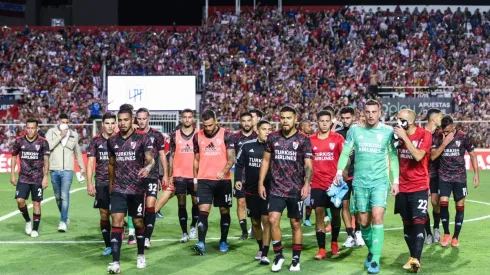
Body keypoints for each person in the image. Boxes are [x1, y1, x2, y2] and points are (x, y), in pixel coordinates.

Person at [336, 99, 399, 274]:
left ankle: (375, 260)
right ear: (363, 113)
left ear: (380, 113)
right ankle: (373, 250)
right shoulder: (354, 131)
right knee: (363, 223)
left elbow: (393, 157)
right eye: (368, 112)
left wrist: (396, 181)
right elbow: (346, 152)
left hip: (379, 182)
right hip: (360, 183)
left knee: (377, 217)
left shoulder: (387, 132)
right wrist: (339, 171)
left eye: (374, 112)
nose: (371, 115)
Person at [258, 105, 312, 272]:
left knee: (295, 223)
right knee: (273, 219)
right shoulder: (272, 138)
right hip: (276, 188)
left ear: (295, 119)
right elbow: (266, 161)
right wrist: (261, 183)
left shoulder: (303, 139)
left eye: (288, 118)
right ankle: (278, 255)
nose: (285, 121)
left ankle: (296, 259)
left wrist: (307, 184)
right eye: (282, 118)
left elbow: (308, 165)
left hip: (295, 189)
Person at [106, 104, 155, 274]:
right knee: (117, 222)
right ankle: (116, 263)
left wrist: (148, 168)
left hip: (136, 189)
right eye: (119, 120)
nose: (122, 123)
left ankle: (140, 254)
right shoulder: (112, 141)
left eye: (125, 120)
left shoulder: (143, 138)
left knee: (138, 222)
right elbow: (111, 165)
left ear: (132, 120)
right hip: (119, 188)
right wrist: (111, 185)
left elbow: (151, 160)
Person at [430, 115, 480, 248]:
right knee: (443, 203)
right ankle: (446, 233)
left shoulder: (463, 137)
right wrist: (445, 142)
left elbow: (473, 155)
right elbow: (433, 156)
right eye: (444, 131)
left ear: (454, 127)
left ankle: (455, 237)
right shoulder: (438, 137)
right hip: (444, 176)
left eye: (448, 131)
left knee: (460, 205)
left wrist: (476, 174)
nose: (445, 133)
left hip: (459, 177)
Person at [393, 109, 432, 273]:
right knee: (407, 224)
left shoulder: (424, 135)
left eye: (399, 119)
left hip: (419, 185)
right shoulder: (396, 136)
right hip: (402, 186)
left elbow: (417, 156)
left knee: (418, 222)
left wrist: (404, 138)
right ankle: (413, 257)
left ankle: (417, 258)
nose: (396, 121)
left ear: (408, 122)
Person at [193, 110, 235, 255]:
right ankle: (201, 242)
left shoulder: (226, 134)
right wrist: (195, 179)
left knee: (224, 210)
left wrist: (223, 171)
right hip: (204, 180)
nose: (208, 128)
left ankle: (223, 241)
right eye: (205, 126)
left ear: (215, 121)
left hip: (223, 181)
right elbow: (196, 159)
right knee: (203, 211)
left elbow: (231, 158)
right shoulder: (197, 136)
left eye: (210, 125)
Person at [235, 120, 273, 264]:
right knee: (255, 222)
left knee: (266, 220)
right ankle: (261, 246)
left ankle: (265, 252)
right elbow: (239, 164)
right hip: (251, 190)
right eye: (264, 129)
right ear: (257, 130)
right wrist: (238, 179)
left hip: (269, 189)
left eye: (269, 129)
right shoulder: (247, 146)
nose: (267, 132)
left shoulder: (274, 146)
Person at [309, 111, 345, 259]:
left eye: (327, 121)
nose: (324, 123)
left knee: (336, 214)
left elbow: (345, 158)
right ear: (317, 122)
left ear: (331, 122)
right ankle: (321, 249)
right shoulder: (310, 140)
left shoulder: (338, 138)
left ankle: (334, 241)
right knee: (318, 212)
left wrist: (343, 173)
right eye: (321, 120)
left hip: (334, 184)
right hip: (317, 183)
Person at [135, 107, 170, 249]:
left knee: (150, 205)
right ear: (136, 119)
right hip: (135, 176)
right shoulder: (133, 134)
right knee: (138, 209)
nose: (142, 121)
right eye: (139, 118)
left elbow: (162, 155)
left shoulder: (156, 135)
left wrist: (166, 174)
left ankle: (147, 238)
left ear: (148, 118)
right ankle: (136, 233)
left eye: (144, 118)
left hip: (152, 175)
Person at [10, 118, 50, 238]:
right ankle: (28, 220)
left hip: (37, 178)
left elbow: (47, 161)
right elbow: (13, 157)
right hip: (23, 177)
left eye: (33, 128)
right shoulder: (19, 141)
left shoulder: (43, 142)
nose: (30, 130)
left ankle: (35, 229)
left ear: (37, 128)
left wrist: (45, 177)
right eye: (28, 127)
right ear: (25, 128)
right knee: (20, 200)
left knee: (36, 203)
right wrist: (12, 174)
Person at [46, 113, 85, 232]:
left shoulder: (74, 135)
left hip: (68, 170)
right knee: (58, 197)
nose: (65, 124)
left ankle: (62, 222)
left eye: (67, 122)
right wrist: (60, 136)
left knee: (64, 196)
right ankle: (65, 216)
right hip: (54, 169)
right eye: (63, 122)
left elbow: (77, 152)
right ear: (58, 122)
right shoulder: (51, 132)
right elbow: (49, 146)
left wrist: (81, 167)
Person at [86, 112, 116, 256]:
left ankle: (117, 242)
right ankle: (108, 245)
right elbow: (91, 162)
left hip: (119, 182)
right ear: (102, 124)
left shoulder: (120, 140)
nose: (110, 126)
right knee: (104, 214)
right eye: (107, 123)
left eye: (112, 123)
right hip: (101, 182)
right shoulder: (95, 141)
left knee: (117, 215)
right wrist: (89, 183)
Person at [168, 109, 199, 242]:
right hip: (179, 174)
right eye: (184, 117)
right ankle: (184, 232)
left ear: (193, 119)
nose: (187, 119)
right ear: (181, 119)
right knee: (181, 204)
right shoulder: (174, 135)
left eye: (189, 117)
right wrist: (170, 175)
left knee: (196, 203)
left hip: (195, 175)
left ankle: (193, 226)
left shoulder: (199, 134)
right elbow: (171, 156)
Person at [336, 107, 364, 247]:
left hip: (358, 174)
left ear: (353, 117)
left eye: (348, 118)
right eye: (343, 118)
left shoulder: (360, 132)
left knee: (359, 205)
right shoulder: (337, 134)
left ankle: (358, 232)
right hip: (344, 175)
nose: (345, 120)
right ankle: (349, 235)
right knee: (344, 205)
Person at [230, 112, 257, 240]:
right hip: (240, 175)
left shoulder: (258, 136)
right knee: (241, 203)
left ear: (252, 122)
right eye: (244, 121)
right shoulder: (234, 138)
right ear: (240, 122)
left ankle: (254, 228)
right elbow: (231, 157)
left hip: (255, 177)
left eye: (248, 120)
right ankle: (244, 231)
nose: (246, 123)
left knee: (253, 204)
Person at [423, 109, 443, 244]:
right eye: (440, 117)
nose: (443, 118)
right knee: (423, 206)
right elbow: (431, 155)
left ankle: (436, 228)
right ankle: (428, 234)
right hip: (422, 174)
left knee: (436, 202)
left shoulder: (440, 135)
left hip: (435, 174)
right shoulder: (420, 133)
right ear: (434, 119)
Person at [298, 120, 314, 228]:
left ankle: (307, 219)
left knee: (309, 198)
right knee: (299, 198)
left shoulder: (312, 138)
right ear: (302, 128)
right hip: (298, 173)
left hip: (310, 171)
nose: (311, 127)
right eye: (309, 125)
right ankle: (299, 217)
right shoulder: (298, 139)